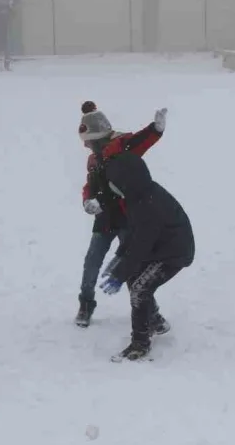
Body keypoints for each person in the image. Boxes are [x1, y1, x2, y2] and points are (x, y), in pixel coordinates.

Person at [81, 107, 194, 363]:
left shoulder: (145, 206)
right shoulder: (135, 196)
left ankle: (140, 344)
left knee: (139, 288)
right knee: (136, 278)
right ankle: (153, 322)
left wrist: (119, 272)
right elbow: (133, 240)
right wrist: (120, 258)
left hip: (174, 252)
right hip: (160, 246)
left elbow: (142, 243)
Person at [75, 101, 166, 328]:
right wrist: (88, 200)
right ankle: (86, 304)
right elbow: (90, 185)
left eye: (88, 142)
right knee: (92, 263)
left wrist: (155, 129)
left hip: (128, 218)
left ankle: (152, 314)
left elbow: (141, 140)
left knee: (132, 267)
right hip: (104, 220)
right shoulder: (93, 159)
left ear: (98, 137)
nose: (86, 147)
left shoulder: (122, 146)